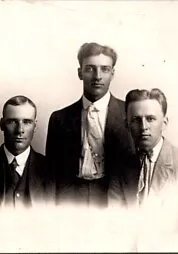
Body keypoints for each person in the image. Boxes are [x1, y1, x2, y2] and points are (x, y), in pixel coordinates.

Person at [46, 42, 134, 208]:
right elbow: (52, 174)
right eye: (90, 69)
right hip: (71, 200)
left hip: (115, 198)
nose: (97, 76)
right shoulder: (59, 119)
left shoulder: (130, 114)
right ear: (80, 73)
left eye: (105, 69)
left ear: (113, 73)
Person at [108, 88, 178, 233]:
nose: (143, 127)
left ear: (164, 123)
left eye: (150, 119)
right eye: (136, 120)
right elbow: (115, 224)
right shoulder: (120, 168)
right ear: (127, 124)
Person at [0, 96, 54, 208]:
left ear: (35, 126)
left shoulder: (53, 172)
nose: (20, 130)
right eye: (12, 121)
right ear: (2, 124)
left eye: (27, 122)